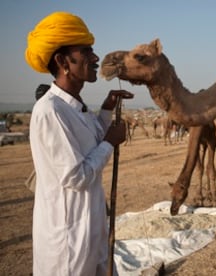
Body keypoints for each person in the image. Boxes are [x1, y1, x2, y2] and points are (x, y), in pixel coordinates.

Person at [25, 11, 134, 275]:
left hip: (90, 229)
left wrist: (106, 111)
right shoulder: (51, 111)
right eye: (86, 51)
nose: (95, 58)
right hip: (69, 240)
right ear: (63, 61)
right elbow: (76, 176)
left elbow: (91, 142)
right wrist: (110, 141)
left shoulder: (74, 107)